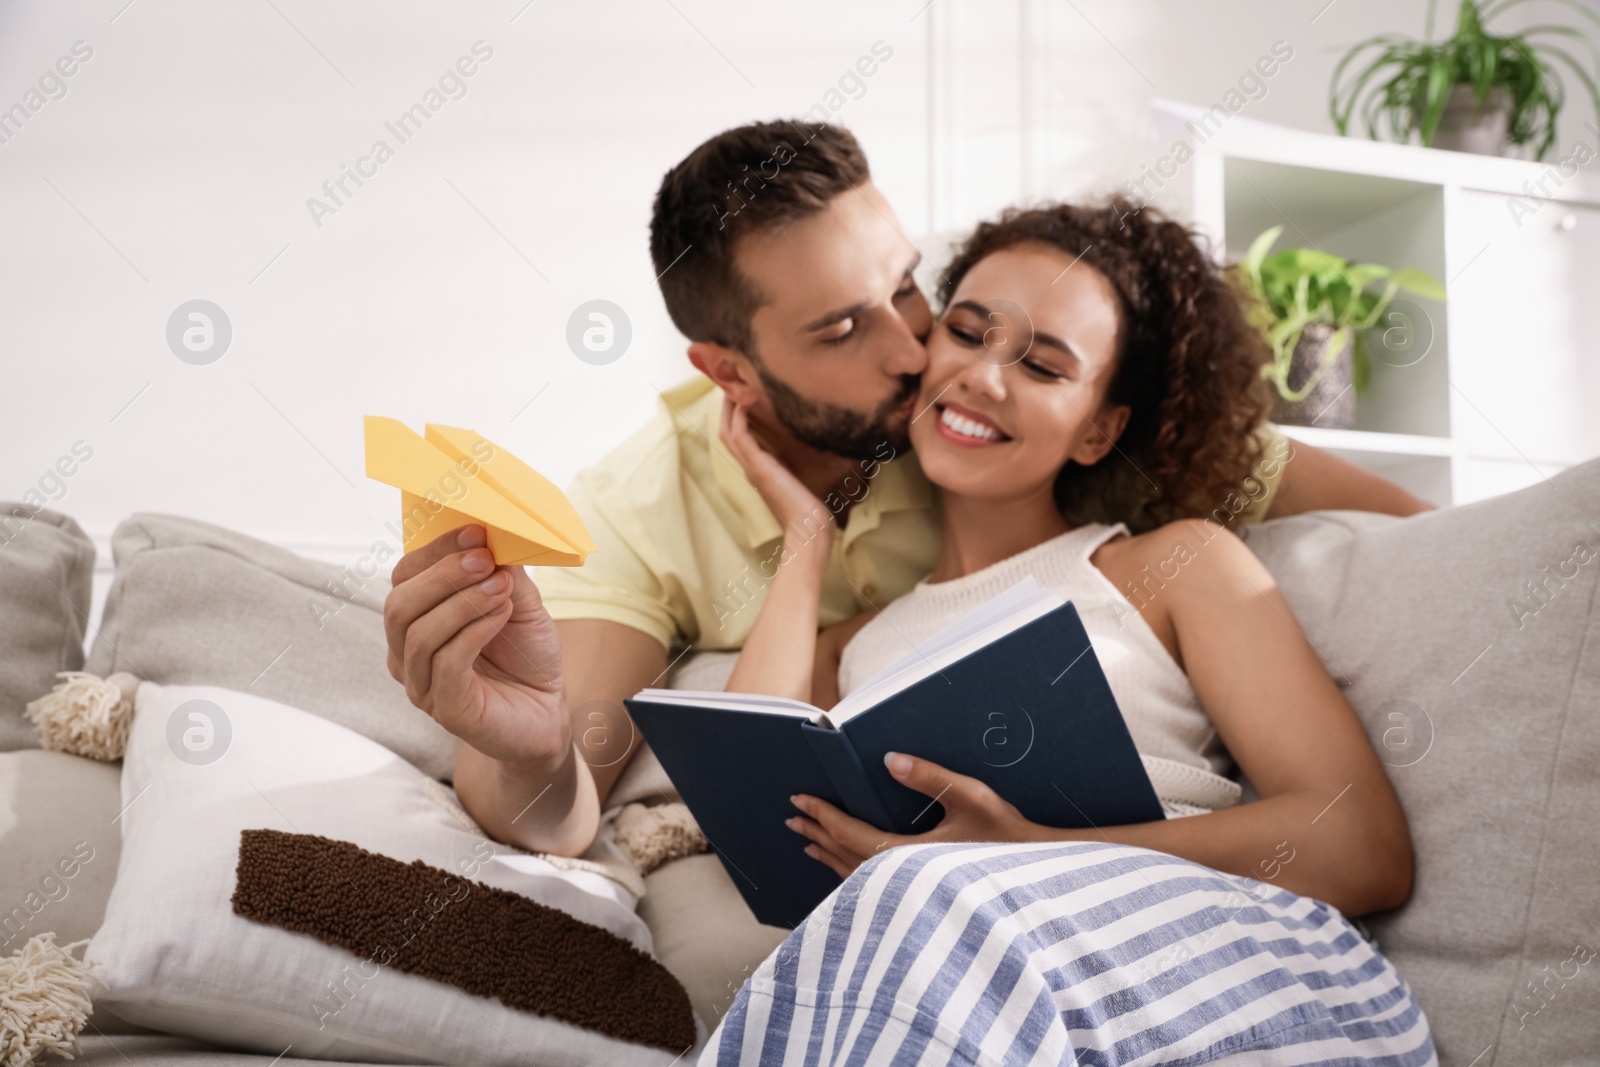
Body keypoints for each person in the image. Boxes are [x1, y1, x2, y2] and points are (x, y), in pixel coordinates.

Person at [381, 119, 1434, 872]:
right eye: (842, 329)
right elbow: (599, 793)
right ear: (731, 373)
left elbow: (1424, 545)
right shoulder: (655, 519)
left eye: (906, 287)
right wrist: (516, 742)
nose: (922, 352)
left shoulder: (1146, 515)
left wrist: (1038, 854)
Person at [701, 199, 1435, 1064]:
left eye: (1043, 367)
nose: (983, 376)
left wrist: (1033, 850)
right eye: (967, 333)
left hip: (1196, 953)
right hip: (954, 972)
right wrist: (807, 534)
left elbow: (1362, 845)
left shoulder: (1175, 567)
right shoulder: (852, 644)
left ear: (1100, 430)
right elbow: (745, 806)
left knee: (920, 891)